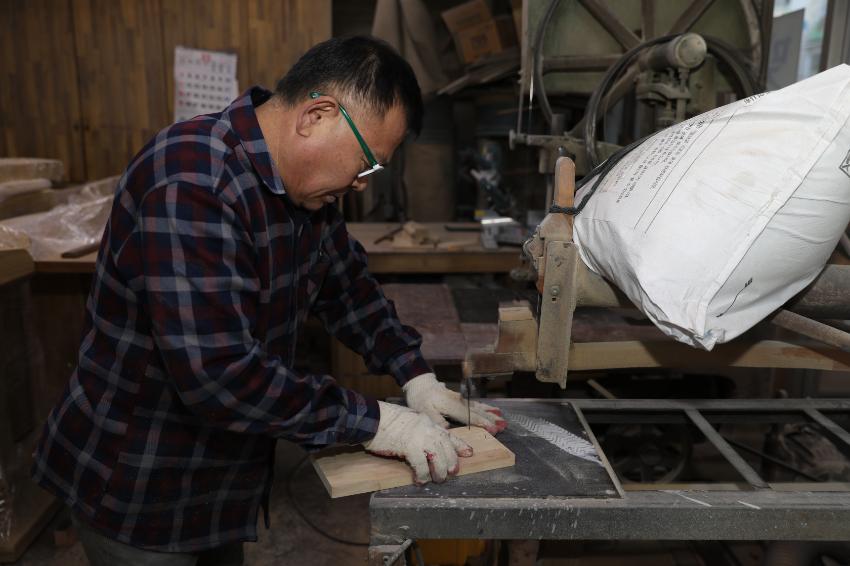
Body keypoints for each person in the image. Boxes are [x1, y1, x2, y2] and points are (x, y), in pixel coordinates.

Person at [31, 36, 506, 565]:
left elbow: (349, 290)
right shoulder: (192, 179)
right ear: (317, 116)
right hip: (139, 487)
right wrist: (378, 422)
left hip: (221, 485)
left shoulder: (305, 194)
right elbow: (219, 374)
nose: (360, 184)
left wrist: (415, 375)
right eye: (367, 163)